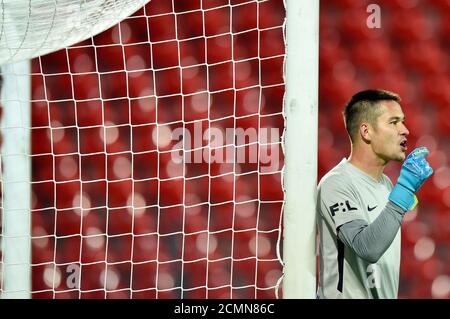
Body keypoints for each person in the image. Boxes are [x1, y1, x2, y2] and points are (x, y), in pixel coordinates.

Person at [316, 89, 433, 299]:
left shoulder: (386, 184)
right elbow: (367, 247)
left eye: (403, 122)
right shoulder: (337, 183)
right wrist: (405, 189)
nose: (405, 130)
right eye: (393, 122)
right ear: (366, 132)